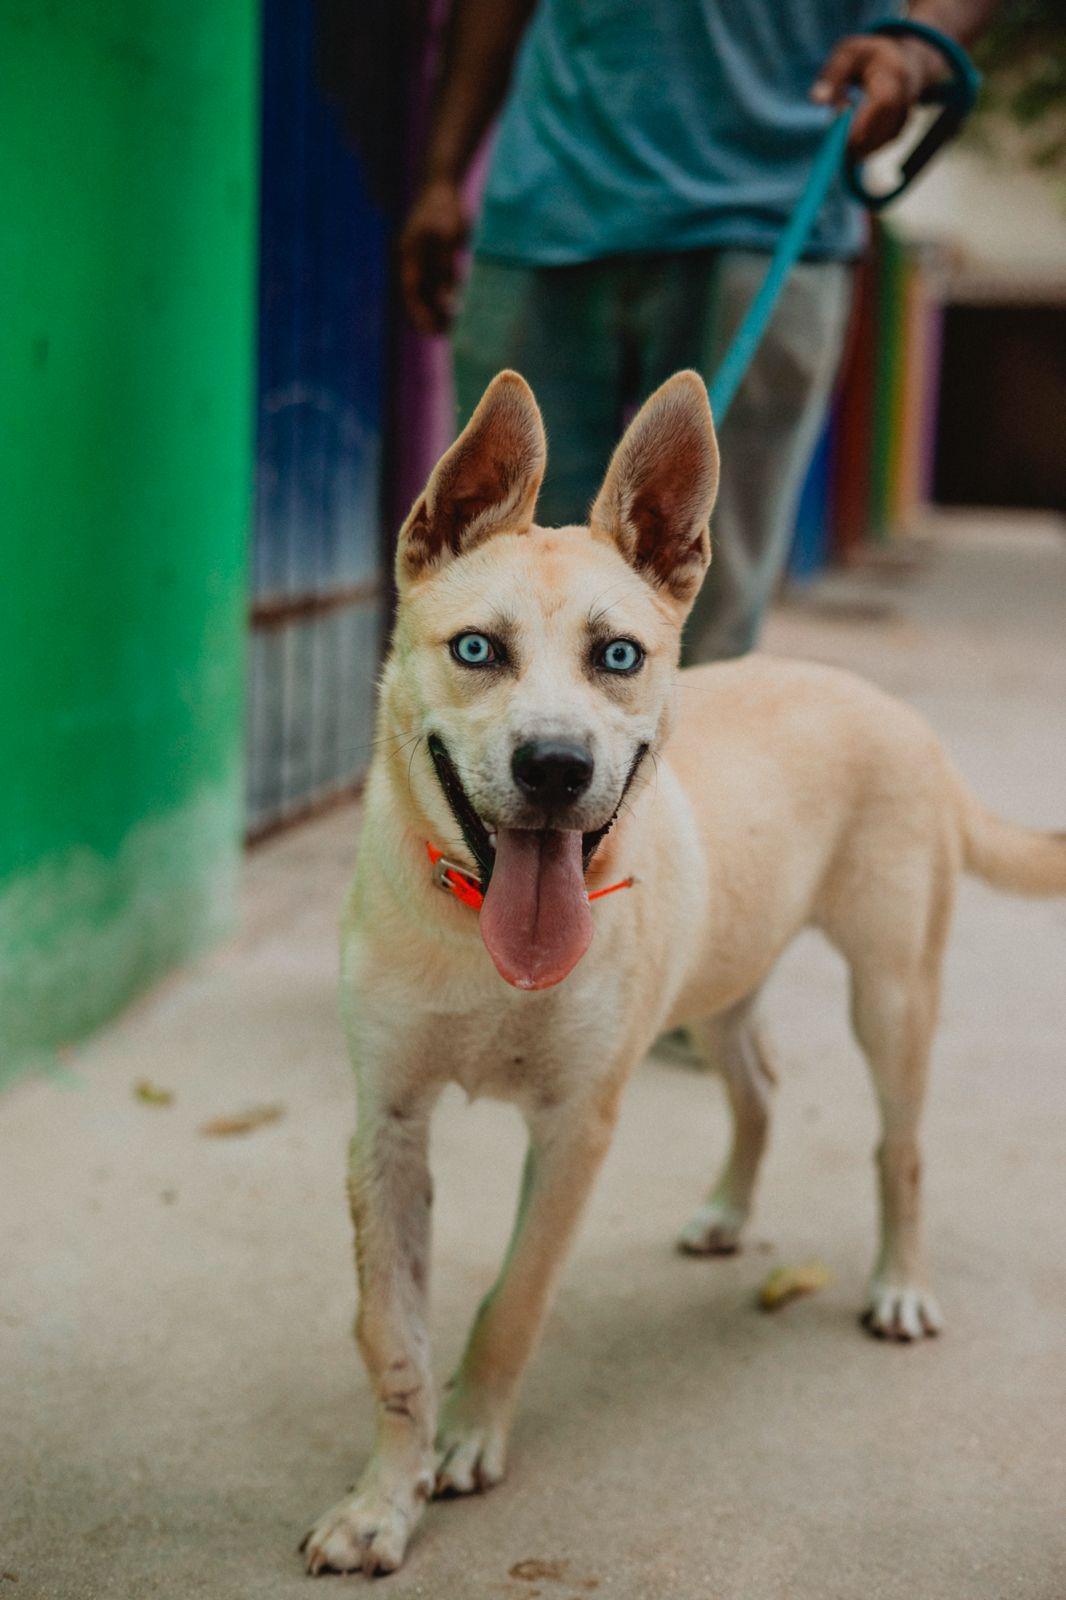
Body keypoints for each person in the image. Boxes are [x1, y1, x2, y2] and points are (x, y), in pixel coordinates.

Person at [399, 0, 996, 660]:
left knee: (705, 613)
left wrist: (916, 52)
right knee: (499, 577)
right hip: (546, 197)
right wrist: (441, 175)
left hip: (771, 211)